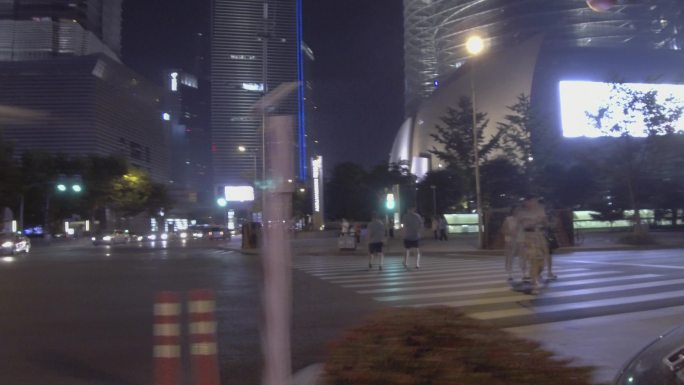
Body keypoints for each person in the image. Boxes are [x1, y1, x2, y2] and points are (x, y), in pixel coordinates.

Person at [515, 196, 549, 294]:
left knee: (542, 262)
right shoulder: (521, 212)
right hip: (528, 238)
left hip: (540, 236)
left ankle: (536, 276)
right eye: (530, 201)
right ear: (526, 202)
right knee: (533, 261)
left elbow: (546, 224)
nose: (532, 203)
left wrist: (543, 221)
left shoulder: (541, 210)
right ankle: (535, 284)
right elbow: (518, 227)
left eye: (534, 201)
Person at [502, 205, 522, 281]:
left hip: (520, 240)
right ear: (513, 211)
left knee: (522, 257)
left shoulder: (521, 219)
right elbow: (503, 230)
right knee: (510, 257)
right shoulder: (508, 219)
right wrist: (510, 233)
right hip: (510, 240)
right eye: (516, 210)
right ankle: (509, 273)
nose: (517, 211)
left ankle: (524, 273)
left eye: (519, 210)